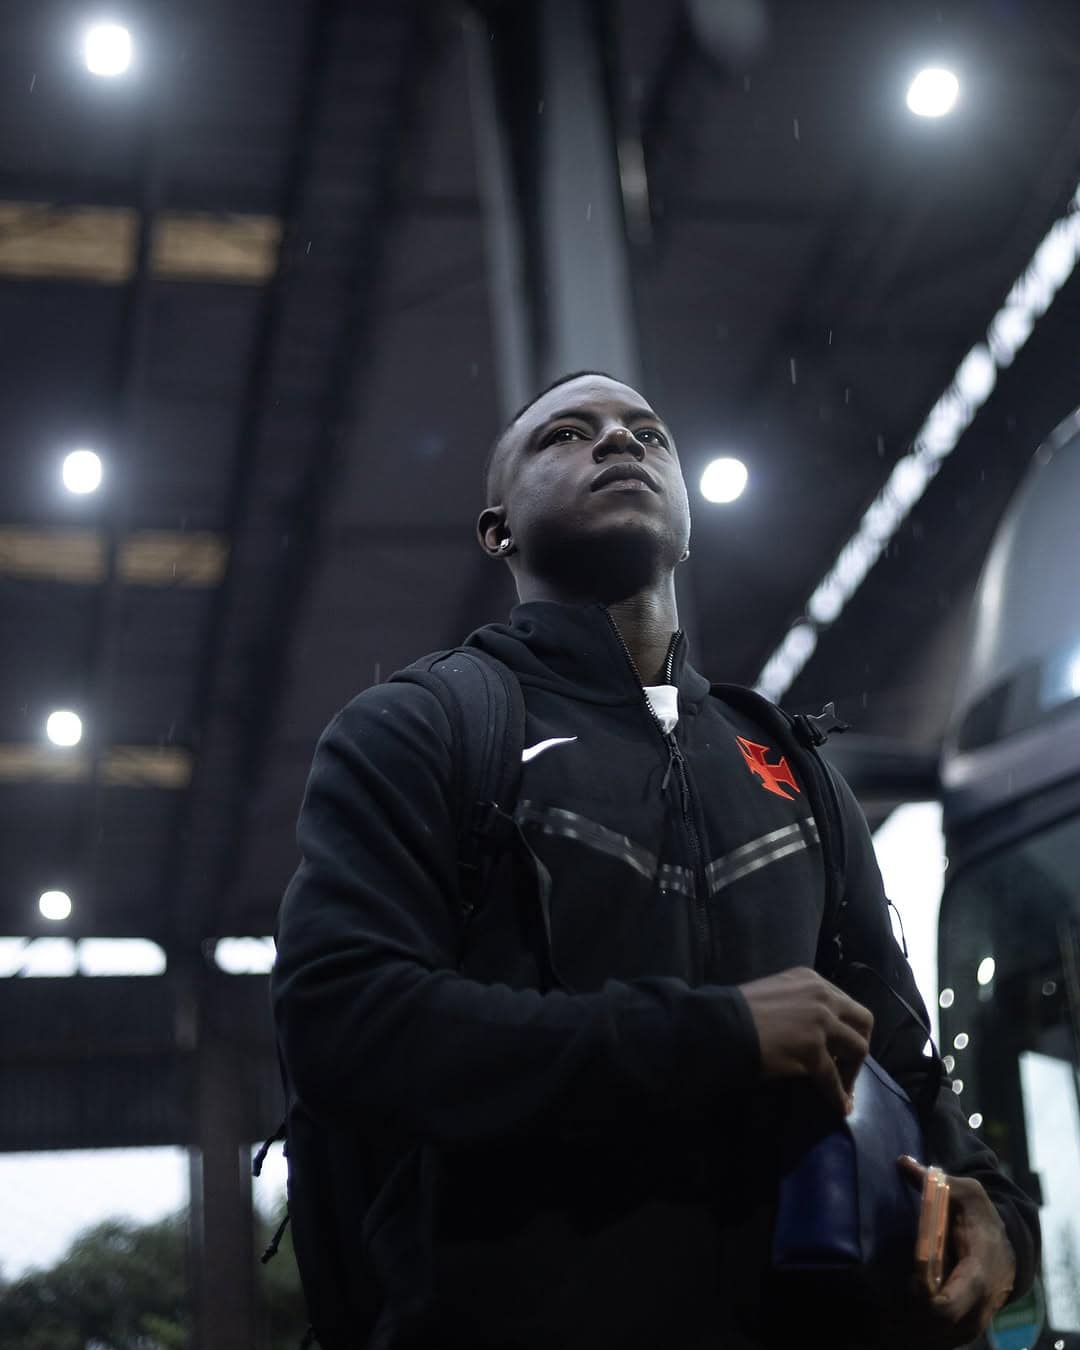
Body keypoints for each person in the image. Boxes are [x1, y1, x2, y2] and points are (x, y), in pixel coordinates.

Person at [272, 372, 1039, 1349]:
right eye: (566, 435)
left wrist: (998, 1215)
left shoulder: (792, 767)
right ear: (497, 531)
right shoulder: (423, 727)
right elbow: (343, 1022)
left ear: (686, 523)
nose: (619, 443)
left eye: (648, 434)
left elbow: (899, 1059)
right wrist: (718, 1034)